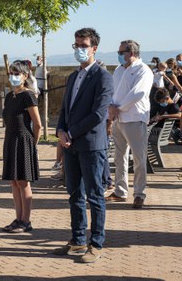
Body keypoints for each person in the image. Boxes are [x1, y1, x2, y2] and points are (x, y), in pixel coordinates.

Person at [54, 28, 113, 263]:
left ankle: (96, 243)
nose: (79, 49)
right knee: (74, 194)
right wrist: (59, 130)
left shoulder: (103, 76)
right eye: (76, 45)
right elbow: (64, 109)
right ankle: (78, 239)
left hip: (91, 144)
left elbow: (99, 114)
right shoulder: (72, 77)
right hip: (70, 145)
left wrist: (70, 132)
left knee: (95, 196)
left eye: (83, 45)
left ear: (94, 48)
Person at [106, 40, 153, 209]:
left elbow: (138, 93)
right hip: (119, 120)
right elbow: (112, 91)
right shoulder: (119, 70)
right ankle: (120, 190)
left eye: (121, 52)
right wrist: (111, 108)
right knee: (120, 157)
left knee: (139, 159)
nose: (119, 55)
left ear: (131, 53)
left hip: (134, 119)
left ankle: (139, 193)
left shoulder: (143, 70)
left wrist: (118, 108)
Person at [1, 60, 41, 233]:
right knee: (14, 181)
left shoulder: (28, 95)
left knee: (23, 182)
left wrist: (33, 143)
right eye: (11, 73)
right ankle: (18, 218)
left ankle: (26, 220)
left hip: (23, 140)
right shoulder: (10, 96)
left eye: (17, 74)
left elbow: (37, 124)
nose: (13, 77)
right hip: (10, 140)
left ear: (25, 76)